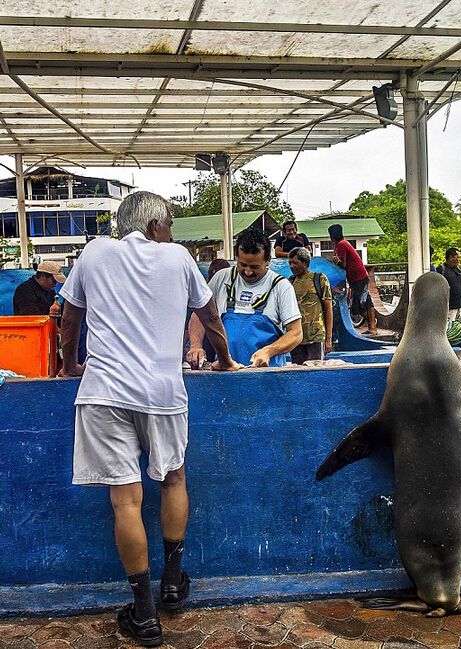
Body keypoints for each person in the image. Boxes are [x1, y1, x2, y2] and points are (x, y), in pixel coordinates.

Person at [59, 191, 240, 647]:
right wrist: (224, 359)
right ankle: (173, 586)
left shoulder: (94, 252)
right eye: (171, 224)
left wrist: (68, 365)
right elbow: (210, 316)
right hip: (163, 392)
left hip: (104, 392)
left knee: (126, 501)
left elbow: (69, 319)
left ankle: (143, 613)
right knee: (174, 479)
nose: (173, 233)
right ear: (156, 223)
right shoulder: (178, 258)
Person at [188, 227, 302, 368]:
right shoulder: (222, 278)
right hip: (226, 373)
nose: (247, 272)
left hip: (267, 375)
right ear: (236, 257)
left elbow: (296, 333)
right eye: (242, 265)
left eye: (255, 267)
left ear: (268, 260)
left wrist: (269, 351)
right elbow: (200, 315)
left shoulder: (281, 286)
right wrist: (196, 345)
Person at [328, 223, 378, 335]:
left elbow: (343, 264)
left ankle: (373, 325)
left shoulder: (341, 245)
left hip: (358, 277)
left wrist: (336, 261)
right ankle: (372, 326)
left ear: (331, 236)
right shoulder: (340, 245)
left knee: (360, 305)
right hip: (357, 277)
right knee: (364, 302)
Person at [288, 247, 333, 364]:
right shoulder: (290, 282)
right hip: (296, 338)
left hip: (316, 337)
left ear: (305, 262)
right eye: (290, 263)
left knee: (314, 372)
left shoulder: (319, 279)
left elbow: (328, 309)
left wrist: (328, 339)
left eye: (295, 262)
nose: (291, 266)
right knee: (296, 373)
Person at [437, 247, 461, 325]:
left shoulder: (458, 270)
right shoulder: (441, 269)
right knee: (449, 330)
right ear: (451, 257)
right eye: (458, 257)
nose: (459, 260)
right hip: (449, 308)